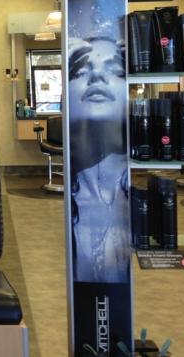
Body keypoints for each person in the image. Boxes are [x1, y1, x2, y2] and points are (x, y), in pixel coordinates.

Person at [68, 36, 130, 283]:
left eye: (116, 71)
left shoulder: (140, 200)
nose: (96, 76)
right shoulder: (72, 205)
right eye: (80, 72)